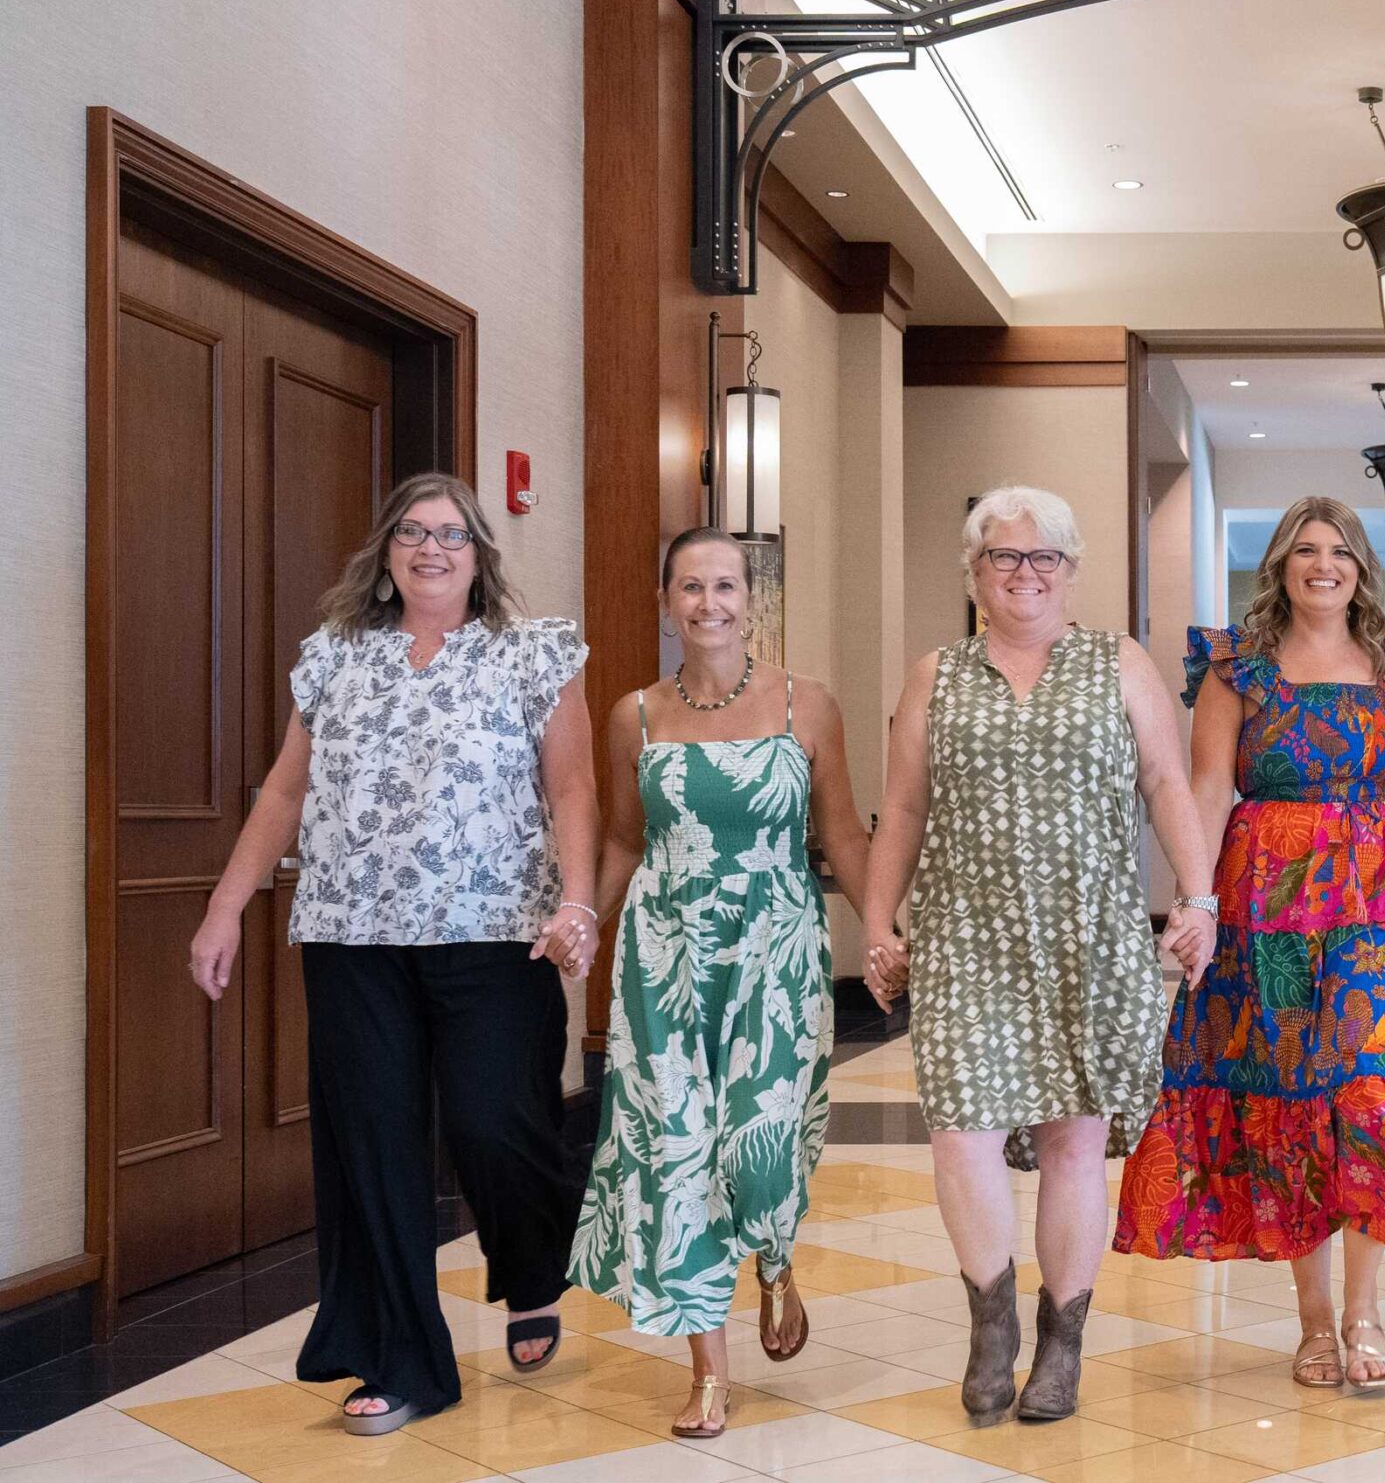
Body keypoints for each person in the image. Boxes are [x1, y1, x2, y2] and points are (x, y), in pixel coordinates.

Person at [187, 472, 596, 1436]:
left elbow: (573, 787)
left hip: (496, 931)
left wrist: (578, 900)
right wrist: (226, 903)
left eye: (451, 534)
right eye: (412, 532)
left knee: (498, 1125)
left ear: (479, 554)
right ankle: (400, 1360)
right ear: (385, 553)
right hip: (352, 934)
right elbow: (285, 791)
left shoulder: (533, 651)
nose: (430, 549)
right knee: (370, 1143)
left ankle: (531, 1265)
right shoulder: (333, 656)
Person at [862, 486, 1216, 1424]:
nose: (1025, 573)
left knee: (1073, 1140)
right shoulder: (936, 675)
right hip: (964, 936)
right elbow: (904, 804)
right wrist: (878, 920)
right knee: (961, 1132)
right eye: (1004, 557)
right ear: (974, 574)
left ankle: (1063, 1339)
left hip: (1088, 937)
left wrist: (1199, 897)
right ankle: (991, 1327)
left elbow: (1166, 782)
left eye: (1043, 556)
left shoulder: (1118, 662)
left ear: (1071, 568)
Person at [1114, 496, 1385, 1397]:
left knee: (1376, 1102)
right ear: (1281, 565)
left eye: (1340, 550)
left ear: (1361, 568)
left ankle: (1365, 1311)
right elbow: (1206, 788)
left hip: (1376, 917)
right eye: (1305, 550)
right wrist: (1193, 902)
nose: (1323, 564)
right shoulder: (1238, 665)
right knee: (1295, 1105)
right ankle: (1313, 1320)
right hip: (1268, 918)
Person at [569, 528, 874, 1438]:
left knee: (760, 1143)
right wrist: (582, 920)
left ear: (751, 599)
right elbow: (623, 839)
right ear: (667, 603)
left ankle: (773, 1256)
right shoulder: (634, 715)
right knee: (677, 1152)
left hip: (775, 953)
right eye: (692, 587)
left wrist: (884, 928)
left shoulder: (807, 705)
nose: (710, 603)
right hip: (664, 958)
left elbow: (843, 835)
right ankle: (708, 1369)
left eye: (726, 586)